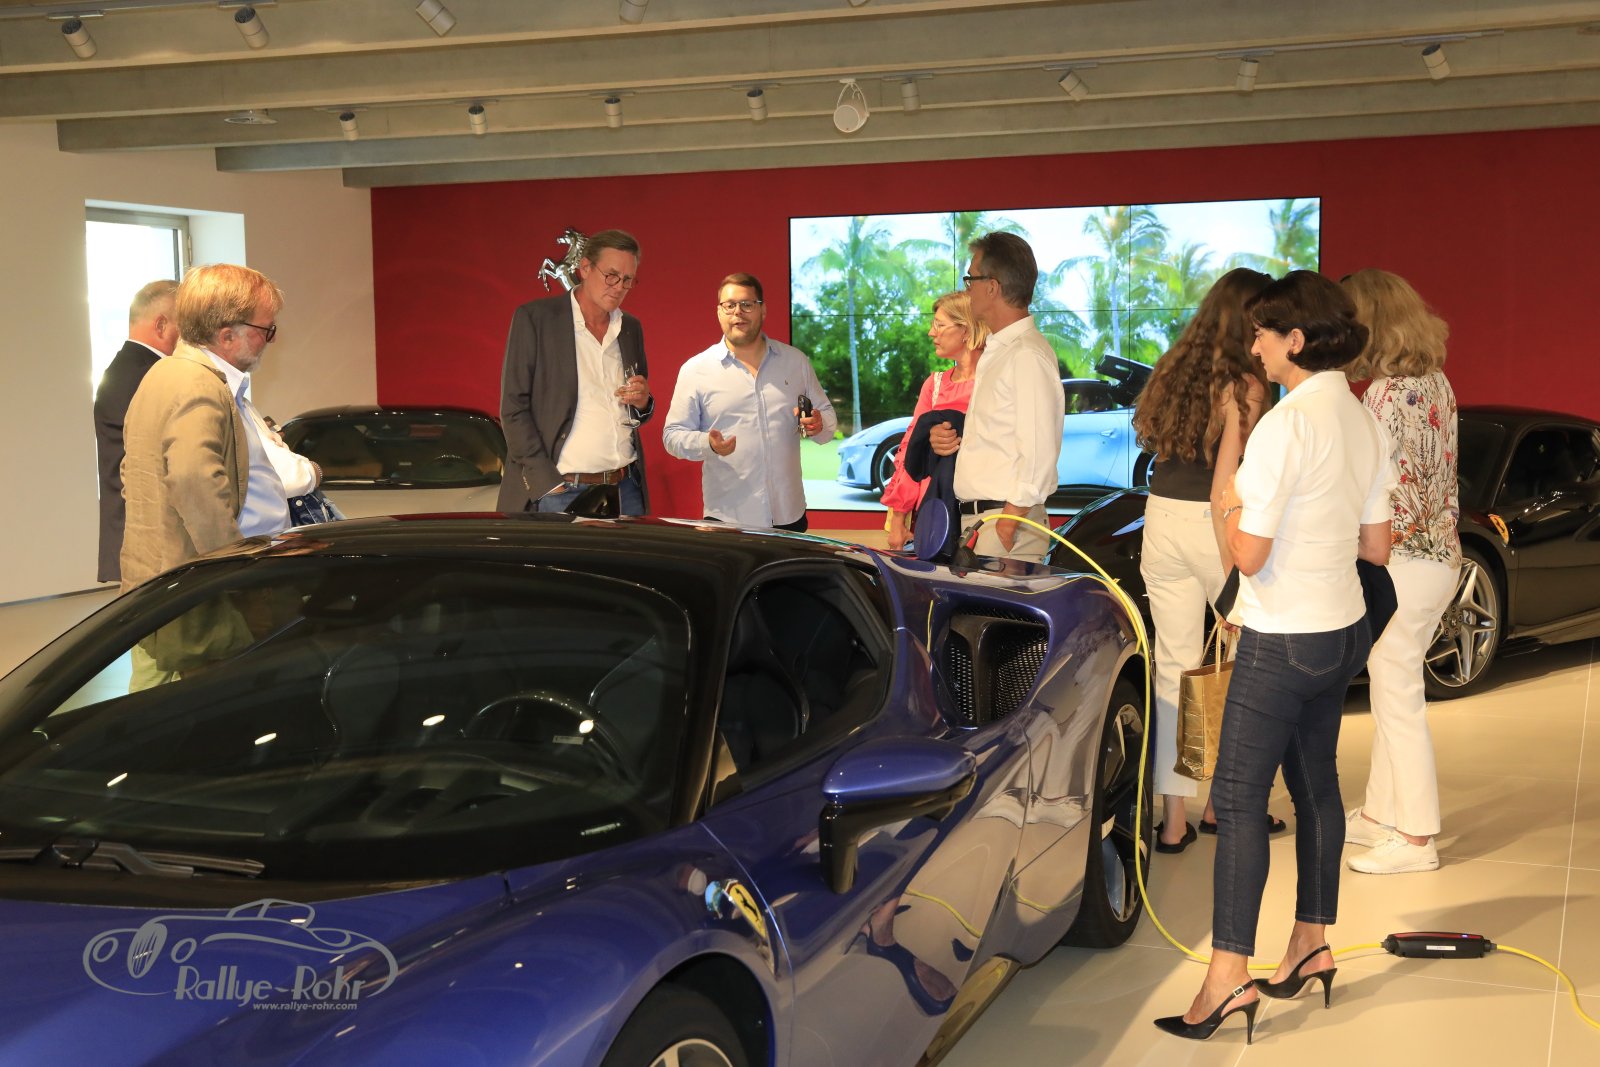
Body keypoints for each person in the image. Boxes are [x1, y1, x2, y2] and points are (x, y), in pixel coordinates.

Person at [1155, 270, 1396, 1044]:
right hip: (1342, 631)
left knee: (1237, 797)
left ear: (1295, 339)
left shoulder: (1285, 427)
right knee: (1318, 785)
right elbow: (1377, 545)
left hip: (1282, 637)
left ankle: (1228, 976)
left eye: (1263, 332)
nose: (1253, 344)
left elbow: (1248, 555)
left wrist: (1229, 484)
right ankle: (1310, 941)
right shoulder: (1361, 417)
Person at [1130, 268, 1284, 853]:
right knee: (1242, 665)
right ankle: (1226, 804)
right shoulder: (1246, 386)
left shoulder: (1174, 371)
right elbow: (1234, 478)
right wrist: (1232, 575)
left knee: (1173, 666)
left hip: (1160, 517)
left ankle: (1173, 821)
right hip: (1214, 522)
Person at [1340, 268, 1459, 875]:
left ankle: (1415, 838)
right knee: (1394, 687)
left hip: (1404, 563)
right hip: (1438, 558)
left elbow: (1379, 493)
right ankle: (1381, 813)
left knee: (1398, 696)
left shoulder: (1383, 397)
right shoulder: (1436, 383)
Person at [928, 232, 1065, 563]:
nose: (967, 290)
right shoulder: (1000, 350)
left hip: (1004, 524)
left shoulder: (1026, 354)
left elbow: (1039, 450)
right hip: (987, 521)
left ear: (992, 287)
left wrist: (1008, 522)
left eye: (971, 279)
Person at [662, 273, 836, 530]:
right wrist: (707, 444)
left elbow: (827, 415)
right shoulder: (695, 370)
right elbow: (672, 436)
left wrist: (819, 424)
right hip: (728, 518)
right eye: (729, 305)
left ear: (762, 310)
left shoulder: (795, 362)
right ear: (719, 312)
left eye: (747, 304)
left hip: (789, 514)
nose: (738, 312)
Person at [497, 229, 653, 516]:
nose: (619, 287)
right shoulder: (536, 319)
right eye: (611, 276)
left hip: (626, 487)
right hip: (562, 491)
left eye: (627, 279)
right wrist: (546, 483)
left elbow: (634, 408)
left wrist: (643, 403)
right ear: (584, 268)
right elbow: (513, 408)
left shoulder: (630, 327)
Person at [880, 291, 989, 550]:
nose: (931, 333)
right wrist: (898, 519)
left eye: (939, 325)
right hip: (935, 512)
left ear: (966, 330)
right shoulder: (935, 384)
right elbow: (910, 452)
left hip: (982, 511)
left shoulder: (994, 381)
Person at [93, 279, 180, 582]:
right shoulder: (147, 375)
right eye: (188, 325)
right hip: (146, 535)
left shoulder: (128, 369)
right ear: (161, 325)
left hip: (138, 531)